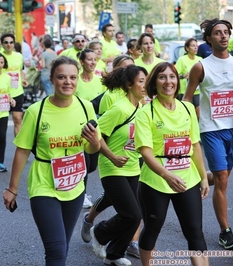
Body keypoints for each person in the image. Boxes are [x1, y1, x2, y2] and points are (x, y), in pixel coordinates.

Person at [3, 56, 101, 265]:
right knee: (56, 250)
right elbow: (22, 151)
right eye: (62, 77)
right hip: (44, 185)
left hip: (75, 185)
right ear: (52, 79)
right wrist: (12, 188)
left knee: (62, 247)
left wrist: (94, 142)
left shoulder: (86, 107)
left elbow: (93, 148)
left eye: (73, 77)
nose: (68, 82)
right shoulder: (36, 111)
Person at [135, 62, 209, 265]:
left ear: (178, 80)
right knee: (152, 230)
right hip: (155, 182)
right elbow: (145, 152)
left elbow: (195, 146)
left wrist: (203, 177)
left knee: (195, 232)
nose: (168, 81)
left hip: (188, 179)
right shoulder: (145, 112)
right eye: (162, 77)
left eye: (172, 76)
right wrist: (167, 175)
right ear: (154, 82)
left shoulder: (187, 109)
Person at [184, 18, 233, 250]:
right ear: (208, 39)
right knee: (222, 177)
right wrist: (183, 126)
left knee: (222, 176)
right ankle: (225, 230)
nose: (223, 36)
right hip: (212, 129)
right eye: (218, 33)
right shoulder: (201, 67)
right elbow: (187, 98)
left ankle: (199, 180)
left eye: (226, 32)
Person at [90, 65, 147, 266]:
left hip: (133, 167)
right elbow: (96, 135)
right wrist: (113, 156)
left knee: (134, 215)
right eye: (141, 81)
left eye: (145, 81)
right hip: (112, 167)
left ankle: (114, 254)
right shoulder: (119, 108)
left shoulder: (140, 107)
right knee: (132, 214)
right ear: (128, 84)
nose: (145, 85)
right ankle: (99, 232)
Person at [75, 48, 104, 209]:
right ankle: (82, 194)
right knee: (85, 163)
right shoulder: (76, 81)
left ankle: (77, 186)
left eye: (95, 59)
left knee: (92, 165)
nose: (93, 62)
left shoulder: (100, 80)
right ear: (82, 62)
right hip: (78, 128)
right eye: (89, 59)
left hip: (95, 128)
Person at [0, 33, 28, 136]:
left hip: (17, 91)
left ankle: (18, 146)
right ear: (2, 44)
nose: (9, 45)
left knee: (17, 119)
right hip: (2, 93)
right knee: (1, 123)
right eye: (6, 42)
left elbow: (20, 71)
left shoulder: (19, 56)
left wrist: (23, 80)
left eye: (11, 42)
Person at [175, 38, 202, 118]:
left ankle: (198, 130)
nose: (195, 48)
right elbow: (175, 75)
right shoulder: (182, 60)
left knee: (199, 115)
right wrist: (183, 76)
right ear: (187, 48)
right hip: (184, 91)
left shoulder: (200, 59)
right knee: (187, 115)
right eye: (193, 46)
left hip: (198, 91)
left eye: (196, 46)